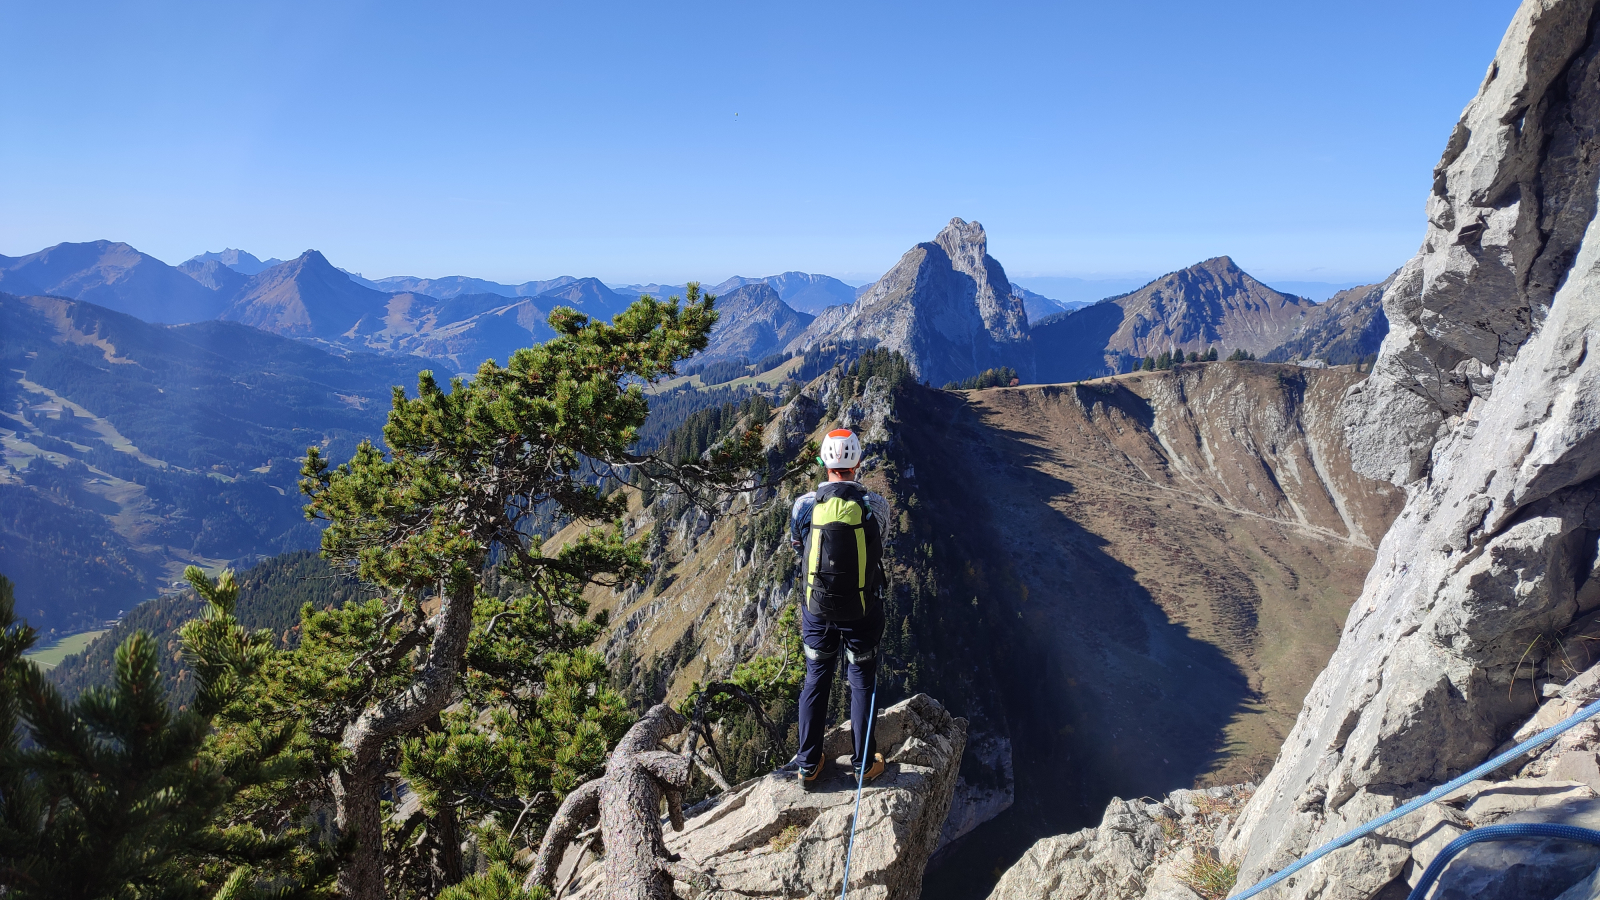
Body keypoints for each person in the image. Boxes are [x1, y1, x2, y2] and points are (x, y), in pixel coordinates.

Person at [778, 427, 890, 787]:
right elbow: (879, 548)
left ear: (824, 461)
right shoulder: (876, 505)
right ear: (857, 462)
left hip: (818, 608)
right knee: (861, 681)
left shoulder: (804, 505)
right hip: (862, 609)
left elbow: (798, 546)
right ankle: (863, 764)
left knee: (816, 679)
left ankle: (808, 764)